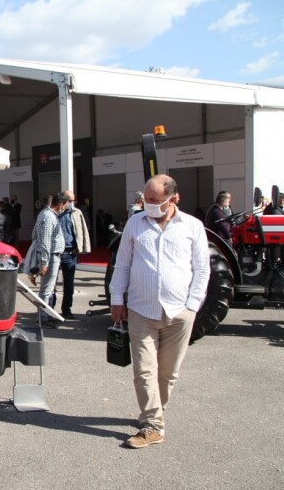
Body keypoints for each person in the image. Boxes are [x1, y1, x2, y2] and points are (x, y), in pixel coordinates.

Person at [110, 174, 210, 449]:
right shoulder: (135, 224)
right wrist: (117, 298)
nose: (148, 204)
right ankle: (153, 425)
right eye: (146, 199)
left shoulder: (192, 226)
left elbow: (202, 270)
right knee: (144, 371)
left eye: (154, 200)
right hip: (141, 311)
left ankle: (153, 413)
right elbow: (123, 264)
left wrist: (192, 306)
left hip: (179, 313)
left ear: (173, 198)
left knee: (168, 373)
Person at [31, 192, 67, 328]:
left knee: (50, 288)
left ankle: (48, 314)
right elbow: (45, 241)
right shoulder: (48, 216)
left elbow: (35, 234)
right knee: (46, 289)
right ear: (60, 204)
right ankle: (43, 318)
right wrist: (44, 262)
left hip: (52, 255)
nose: (65, 207)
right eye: (65, 204)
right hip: (50, 256)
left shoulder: (46, 214)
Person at [58, 189, 92, 319]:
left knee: (69, 284)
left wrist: (80, 247)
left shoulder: (77, 213)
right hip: (56, 253)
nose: (72, 203)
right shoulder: (55, 213)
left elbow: (82, 230)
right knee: (51, 285)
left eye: (73, 200)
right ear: (63, 200)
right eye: (70, 200)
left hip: (70, 252)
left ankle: (66, 309)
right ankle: (49, 312)